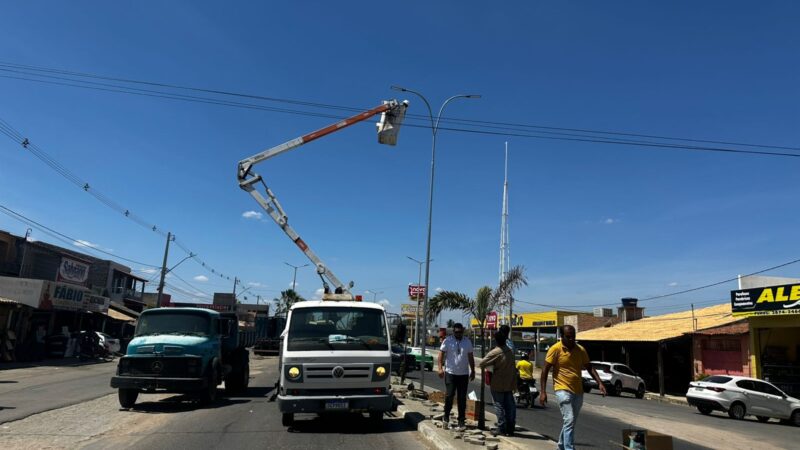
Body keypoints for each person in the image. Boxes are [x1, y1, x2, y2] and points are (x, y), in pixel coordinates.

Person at [539, 325, 606, 450]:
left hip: (578, 391)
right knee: (569, 420)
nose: (571, 340)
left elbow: (589, 366)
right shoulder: (555, 349)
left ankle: (561, 446)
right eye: (568, 337)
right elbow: (545, 370)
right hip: (562, 389)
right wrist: (543, 392)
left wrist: (600, 383)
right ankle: (569, 448)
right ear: (561, 337)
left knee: (570, 422)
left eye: (573, 337)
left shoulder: (580, 350)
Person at [438, 323, 475, 431]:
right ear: (453, 331)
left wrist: (472, 370)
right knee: (449, 395)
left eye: (460, 332)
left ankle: (461, 421)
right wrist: (440, 368)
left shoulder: (467, 342)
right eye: (456, 332)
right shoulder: (448, 341)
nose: (458, 334)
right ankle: (446, 417)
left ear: (463, 331)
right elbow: (441, 354)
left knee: (462, 398)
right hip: (450, 373)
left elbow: (470, 357)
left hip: (463, 374)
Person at [479, 331, 517, 437]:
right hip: (509, 383)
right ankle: (510, 428)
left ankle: (501, 428)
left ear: (496, 340)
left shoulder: (495, 352)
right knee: (510, 407)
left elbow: (482, 363)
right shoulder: (510, 351)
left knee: (499, 406)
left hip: (498, 383)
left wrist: (493, 366)